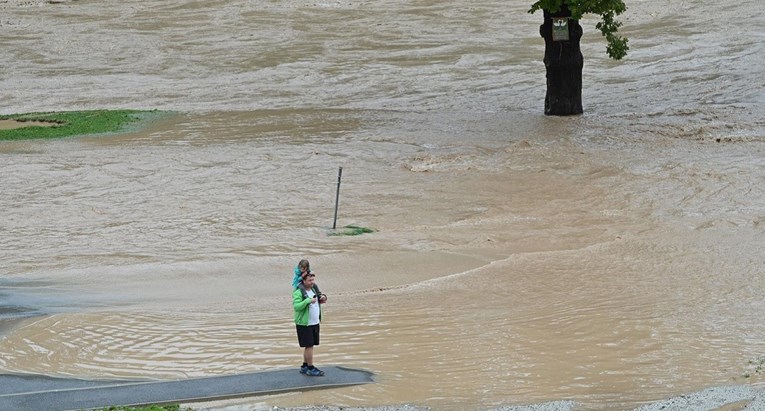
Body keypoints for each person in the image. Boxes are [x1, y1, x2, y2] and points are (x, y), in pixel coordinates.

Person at [292, 271, 327, 376]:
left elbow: (319, 300)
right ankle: (311, 368)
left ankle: (305, 366)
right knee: (309, 346)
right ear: (303, 281)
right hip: (304, 324)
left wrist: (323, 298)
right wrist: (307, 301)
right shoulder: (298, 292)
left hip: (314, 323)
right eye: (309, 280)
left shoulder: (313, 289)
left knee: (309, 346)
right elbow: (296, 307)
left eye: (313, 280)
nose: (312, 282)